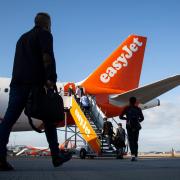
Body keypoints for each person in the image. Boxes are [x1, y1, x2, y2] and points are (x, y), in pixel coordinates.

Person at [0, 12, 71, 171]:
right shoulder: (45, 34)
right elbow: (47, 57)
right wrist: (51, 79)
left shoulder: (22, 38)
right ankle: (56, 156)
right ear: (47, 24)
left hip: (17, 84)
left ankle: (0, 157)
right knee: (48, 119)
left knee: (8, 121)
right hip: (34, 85)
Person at [119, 97, 144, 161]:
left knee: (131, 141)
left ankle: (132, 156)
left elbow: (120, 117)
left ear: (129, 101)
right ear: (135, 101)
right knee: (135, 141)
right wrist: (138, 121)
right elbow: (142, 118)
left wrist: (126, 119)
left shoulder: (127, 108)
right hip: (136, 127)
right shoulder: (138, 109)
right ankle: (135, 156)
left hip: (129, 126)